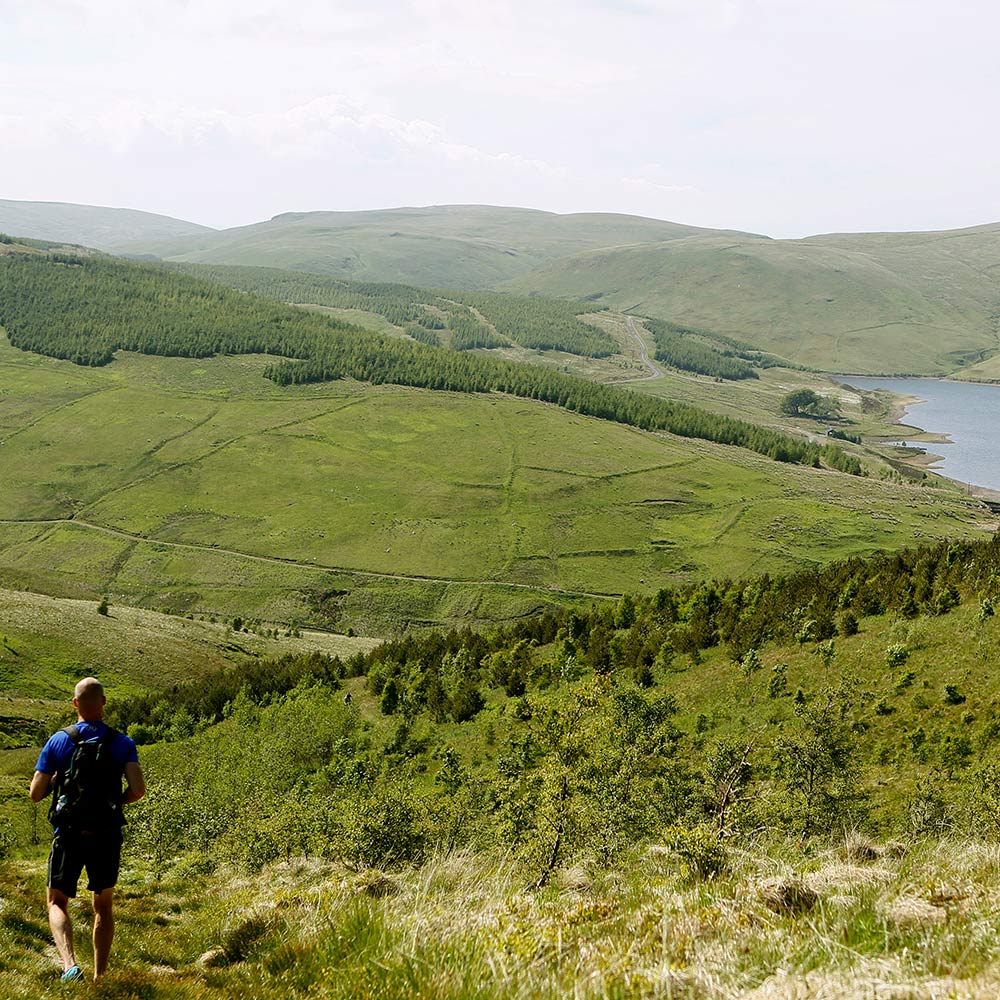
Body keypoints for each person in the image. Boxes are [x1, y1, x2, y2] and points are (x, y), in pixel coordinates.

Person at [29, 677, 146, 983]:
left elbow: (35, 793)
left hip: (68, 833)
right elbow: (138, 790)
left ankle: (70, 966)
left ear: (75, 704)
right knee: (103, 905)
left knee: (56, 900)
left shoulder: (58, 741)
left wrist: (57, 778)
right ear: (104, 703)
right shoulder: (123, 743)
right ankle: (101, 976)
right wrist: (114, 803)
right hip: (106, 834)